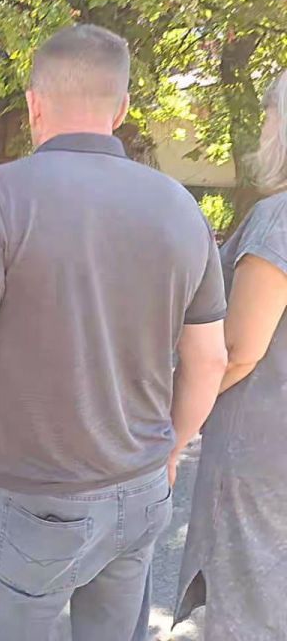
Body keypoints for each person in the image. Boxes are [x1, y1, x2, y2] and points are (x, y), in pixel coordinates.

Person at [0, 25, 228, 640]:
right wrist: (168, 454)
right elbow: (209, 360)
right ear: (122, 108)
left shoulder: (0, 196)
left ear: (34, 103)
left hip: (36, 502)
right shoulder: (181, 206)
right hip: (140, 490)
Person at [174, 69, 287, 638]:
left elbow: (238, 350)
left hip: (257, 450)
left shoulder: (278, 217)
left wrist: (173, 428)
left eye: (268, 111)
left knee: (245, 602)